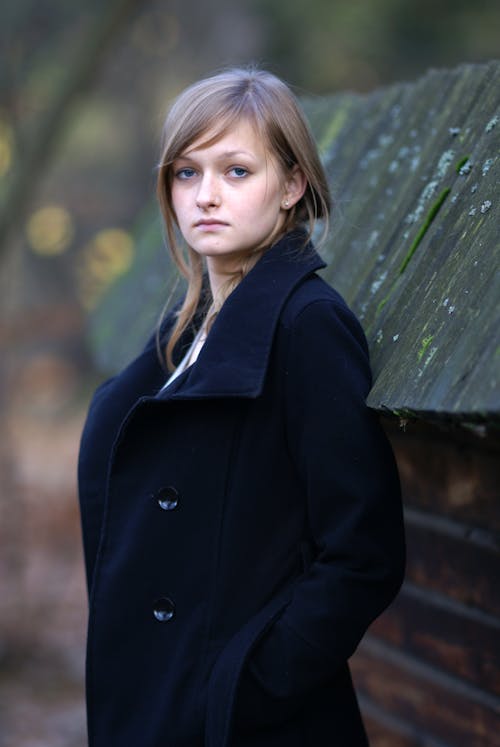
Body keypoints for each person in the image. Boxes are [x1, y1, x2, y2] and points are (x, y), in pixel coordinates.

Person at [78, 67, 405, 747]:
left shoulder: (308, 325)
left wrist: (241, 687)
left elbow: (363, 551)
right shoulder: (188, 324)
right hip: (154, 708)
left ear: (290, 186)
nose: (205, 196)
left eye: (235, 171)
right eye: (187, 174)